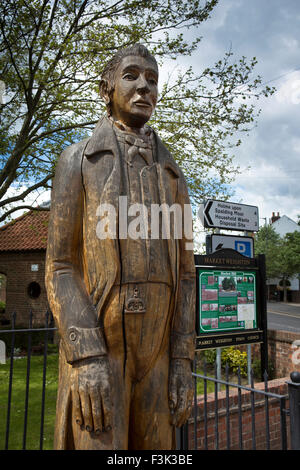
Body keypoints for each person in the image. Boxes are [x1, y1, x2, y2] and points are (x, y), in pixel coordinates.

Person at [45, 44, 196, 450]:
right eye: (131, 76)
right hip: (103, 351)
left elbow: (185, 273)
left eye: (152, 79)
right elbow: (60, 266)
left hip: (159, 358)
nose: (144, 86)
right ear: (106, 88)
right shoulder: (78, 162)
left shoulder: (173, 176)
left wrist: (182, 360)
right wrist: (87, 356)